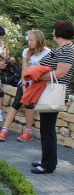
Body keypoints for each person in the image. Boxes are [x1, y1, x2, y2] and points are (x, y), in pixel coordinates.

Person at [30, 20, 74, 174]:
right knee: (46, 128)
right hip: (49, 90)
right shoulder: (64, 48)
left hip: (54, 92)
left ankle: (48, 165)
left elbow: (61, 72)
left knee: (48, 129)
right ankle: (46, 160)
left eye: (54, 30)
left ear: (57, 33)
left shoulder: (68, 50)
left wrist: (38, 77)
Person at [0, 30, 50, 142]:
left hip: (38, 83)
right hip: (26, 81)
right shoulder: (26, 52)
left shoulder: (47, 53)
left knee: (29, 104)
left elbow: (47, 71)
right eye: (28, 40)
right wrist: (24, 85)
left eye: (31, 40)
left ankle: (28, 132)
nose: (29, 42)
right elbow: (24, 71)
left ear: (38, 40)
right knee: (16, 102)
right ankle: (4, 130)